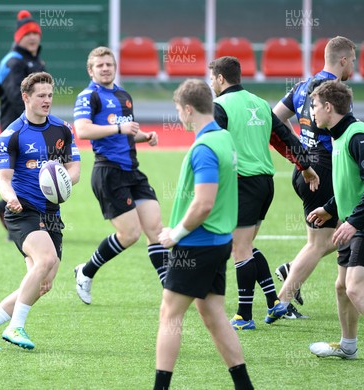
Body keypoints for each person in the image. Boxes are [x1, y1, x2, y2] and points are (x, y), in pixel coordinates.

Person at [0, 72, 81, 350]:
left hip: (52, 215)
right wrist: (11, 199)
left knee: (42, 284)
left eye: (50, 95)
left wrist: (62, 180)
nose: (47, 100)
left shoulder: (63, 129)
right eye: (41, 95)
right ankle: (15, 327)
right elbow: (3, 179)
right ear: (26, 98)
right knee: (45, 260)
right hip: (22, 212)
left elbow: (74, 170)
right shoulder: (12, 135)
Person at [155, 79, 253, 390]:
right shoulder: (224, 138)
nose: (178, 117)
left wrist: (176, 233)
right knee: (211, 312)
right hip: (218, 241)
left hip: (196, 244)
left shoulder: (204, 147)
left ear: (187, 109)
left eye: (178, 111)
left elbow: (204, 203)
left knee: (169, 315)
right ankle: (244, 385)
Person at [209, 56, 320, 329]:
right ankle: (273, 303)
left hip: (241, 183)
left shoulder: (219, 106)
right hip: (264, 184)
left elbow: (214, 147)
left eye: (212, 78)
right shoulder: (258, 103)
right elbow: (284, 138)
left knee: (240, 248)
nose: (210, 83)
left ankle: (244, 316)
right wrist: (304, 165)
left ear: (221, 78)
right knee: (247, 245)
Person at [72, 46, 165, 305]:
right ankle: (86, 271)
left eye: (109, 64)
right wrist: (118, 127)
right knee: (130, 235)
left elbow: (127, 131)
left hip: (132, 171)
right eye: (99, 65)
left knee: (155, 230)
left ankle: (169, 289)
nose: (105, 68)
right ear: (91, 71)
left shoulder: (124, 95)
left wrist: (143, 136)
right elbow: (82, 130)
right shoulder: (88, 96)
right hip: (108, 172)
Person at [272, 36, 356, 315]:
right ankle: (282, 301)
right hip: (323, 170)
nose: (354, 65)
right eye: (353, 60)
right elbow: (341, 134)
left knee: (341, 233)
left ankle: (290, 273)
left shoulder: (302, 85)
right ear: (343, 59)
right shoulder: (334, 92)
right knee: (321, 243)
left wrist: (298, 148)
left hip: (304, 168)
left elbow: (276, 118)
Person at [307, 81, 363, 359]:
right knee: (342, 287)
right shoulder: (339, 137)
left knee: (355, 287)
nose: (312, 112)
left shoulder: (357, 135)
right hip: (352, 222)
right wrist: (330, 208)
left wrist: (353, 221)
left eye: (315, 106)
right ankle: (348, 346)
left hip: (360, 224)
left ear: (328, 107)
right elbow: (350, 184)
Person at [0, 10, 46, 238]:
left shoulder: (36, 60)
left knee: (31, 171)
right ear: (18, 37)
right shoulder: (13, 61)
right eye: (27, 33)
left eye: (36, 33)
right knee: (20, 173)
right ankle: (15, 220)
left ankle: (7, 209)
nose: (32, 37)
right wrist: (28, 125)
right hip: (16, 126)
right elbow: (16, 96)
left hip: (33, 125)